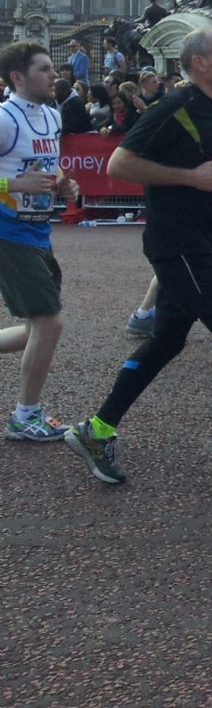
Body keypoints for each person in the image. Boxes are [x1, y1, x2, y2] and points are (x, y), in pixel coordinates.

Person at [64, 27, 212, 487]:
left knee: (167, 342)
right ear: (200, 63)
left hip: (206, 241)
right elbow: (118, 165)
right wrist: (188, 178)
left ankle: (96, 430)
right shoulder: (174, 106)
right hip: (180, 245)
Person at [0, 43, 79, 442]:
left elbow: (48, 164)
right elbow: (17, 177)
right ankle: (23, 417)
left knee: (38, 326)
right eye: (45, 69)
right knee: (49, 323)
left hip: (38, 229)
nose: (55, 75)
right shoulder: (4, 119)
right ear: (18, 77)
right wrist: (13, 184)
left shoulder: (51, 114)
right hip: (8, 231)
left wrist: (63, 181)